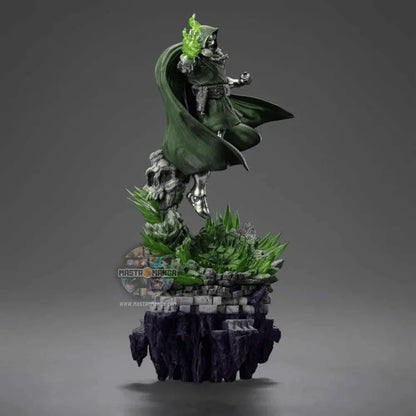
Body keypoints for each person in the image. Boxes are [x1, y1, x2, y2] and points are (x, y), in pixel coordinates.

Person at [155, 15, 293, 218]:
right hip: (207, 109)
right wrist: (188, 55)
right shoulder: (196, 60)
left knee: (218, 144)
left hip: (223, 106)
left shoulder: (215, 57)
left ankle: (198, 189)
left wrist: (240, 82)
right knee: (210, 150)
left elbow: (221, 80)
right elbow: (184, 67)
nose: (212, 41)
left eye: (214, 37)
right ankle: (198, 192)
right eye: (208, 38)